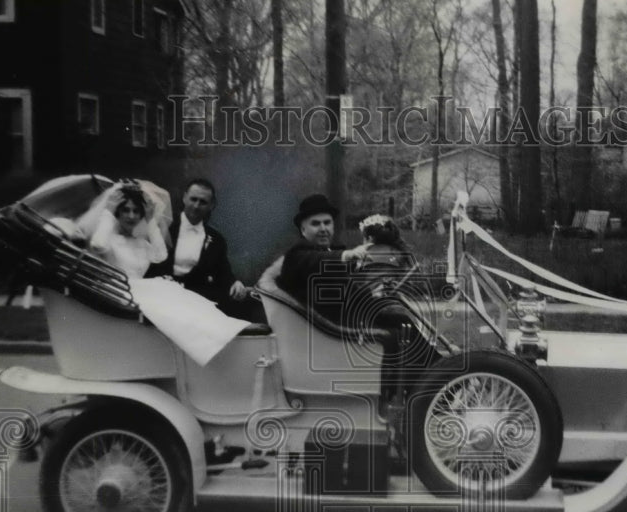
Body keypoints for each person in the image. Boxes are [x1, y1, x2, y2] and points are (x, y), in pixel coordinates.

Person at [278, 194, 432, 415]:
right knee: (393, 332)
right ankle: (429, 385)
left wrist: (376, 294)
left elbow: (348, 290)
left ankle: (430, 380)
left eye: (327, 223)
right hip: (327, 330)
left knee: (400, 319)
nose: (323, 228)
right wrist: (348, 255)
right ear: (303, 230)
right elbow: (316, 263)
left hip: (341, 319)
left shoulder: (330, 251)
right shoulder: (298, 256)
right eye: (315, 223)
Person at [147, 178, 261, 321]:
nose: (196, 206)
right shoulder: (166, 228)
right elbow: (150, 263)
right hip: (163, 297)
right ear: (184, 198)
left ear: (211, 205)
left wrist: (235, 282)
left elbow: (223, 271)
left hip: (198, 301)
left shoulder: (216, 239)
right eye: (193, 199)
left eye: (203, 202)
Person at [88, 182, 169, 278]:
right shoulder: (109, 241)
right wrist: (108, 212)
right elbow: (98, 244)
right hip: (115, 290)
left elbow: (161, 256)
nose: (131, 216)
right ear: (117, 213)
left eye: (136, 211)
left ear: (142, 215)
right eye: (126, 210)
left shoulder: (142, 243)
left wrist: (150, 221)